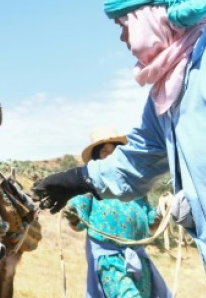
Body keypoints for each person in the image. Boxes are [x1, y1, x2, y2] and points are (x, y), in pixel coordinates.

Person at [33, 0, 206, 297]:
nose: (122, 37)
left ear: (153, 16)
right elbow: (136, 162)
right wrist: (78, 180)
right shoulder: (165, 98)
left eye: (124, 24)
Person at [64, 127, 170, 298]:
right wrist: (72, 213)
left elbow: (151, 224)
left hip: (139, 259)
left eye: (114, 151)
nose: (110, 155)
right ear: (97, 156)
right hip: (109, 261)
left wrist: (162, 211)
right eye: (104, 151)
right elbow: (77, 221)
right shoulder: (90, 185)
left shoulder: (136, 187)